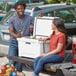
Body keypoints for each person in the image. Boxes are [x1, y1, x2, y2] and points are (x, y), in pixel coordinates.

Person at [8, 1, 34, 72]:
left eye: (22, 8)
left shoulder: (30, 18)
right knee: (11, 62)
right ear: (16, 10)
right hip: (14, 43)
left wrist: (41, 17)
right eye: (18, 9)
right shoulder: (12, 19)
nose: (20, 10)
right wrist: (16, 36)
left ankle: (18, 73)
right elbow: (11, 32)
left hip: (24, 44)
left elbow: (38, 24)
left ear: (24, 9)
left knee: (19, 64)